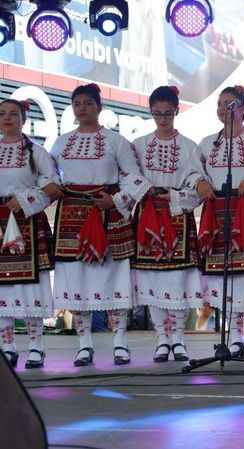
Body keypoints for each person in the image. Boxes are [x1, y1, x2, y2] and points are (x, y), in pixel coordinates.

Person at [51, 83, 153, 366]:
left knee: (114, 276)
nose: (82, 108)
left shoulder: (115, 141)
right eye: (77, 103)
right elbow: (48, 178)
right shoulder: (61, 142)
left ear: (99, 106)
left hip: (107, 210)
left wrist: (117, 200)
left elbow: (134, 177)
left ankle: (120, 342)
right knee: (76, 277)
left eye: (88, 103)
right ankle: (84, 344)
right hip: (73, 213)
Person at [130, 86, 206, 363]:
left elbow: (197, 183)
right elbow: (129, 177)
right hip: (148, 212)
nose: (162, 119)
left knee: (178, 279)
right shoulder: (138, 145)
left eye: (168, 113)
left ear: (177, 111)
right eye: (157, 113)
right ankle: (162, 338)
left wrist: (174, 196)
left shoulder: (189, 146)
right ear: (151, 112)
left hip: (177, 214)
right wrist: (146, 191)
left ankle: (178, 339)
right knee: (151, 277)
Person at [196, 85, 244, 359]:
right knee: (226, 276)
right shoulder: (206, 143)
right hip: (218, 212)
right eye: (220, 104)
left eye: (230, 104)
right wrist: (200, 182)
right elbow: (194, 172)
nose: (223, 109)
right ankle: (235, 334)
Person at [0, 99, 60, 369]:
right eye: (2, 114)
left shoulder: (36, 152)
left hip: (27, 222)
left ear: (24, 118)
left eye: (14, 114)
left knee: (32, 284)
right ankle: (7, 346)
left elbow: (54, 187)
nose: (7, 118)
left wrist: (24, 200)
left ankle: (37, 346)